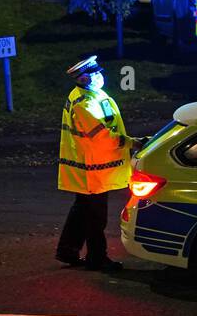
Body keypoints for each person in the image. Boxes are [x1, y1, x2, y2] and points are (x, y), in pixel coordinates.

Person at [56, 55, 137, 272]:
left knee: (82, 210)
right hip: (94, 169)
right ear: (83, 79)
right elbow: (103, 136)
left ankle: (67, 250)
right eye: (95, 74)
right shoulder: (85, 104)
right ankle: (97, 258)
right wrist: (132, 142)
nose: (100, 76)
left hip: (88, 167)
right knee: (95, 216)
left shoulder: (86, 94)